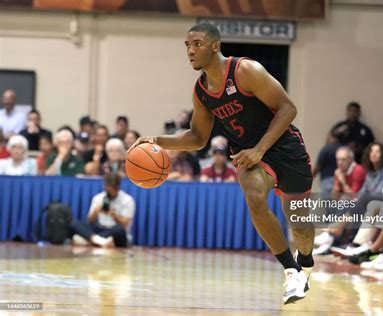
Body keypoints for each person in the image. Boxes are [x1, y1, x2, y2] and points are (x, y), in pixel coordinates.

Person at [129, 22, 314, 304]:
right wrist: (156, 140)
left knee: (301, 227)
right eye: (187, 46)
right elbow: (198, 137)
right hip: (246, 154)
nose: (190, 51)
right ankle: (292, 270)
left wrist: (260, 149)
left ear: (215, 45)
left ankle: (306, 259)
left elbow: (288, 108)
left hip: (283, 146)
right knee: (253, 193)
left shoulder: (245, 71)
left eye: (197, 44)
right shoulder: (201, 91)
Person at [70, 172, 135, 248]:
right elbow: (89, 221)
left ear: (117, 187)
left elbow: (125, 224)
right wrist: (96, 212)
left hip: (115, 231)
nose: (109, 193)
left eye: (111, 191)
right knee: (74, 223)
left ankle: (90, 240)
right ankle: (99, 241)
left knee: (119, 230)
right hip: (100, 228)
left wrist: (114, 216)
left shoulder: (127, 200)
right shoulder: (98, 198)